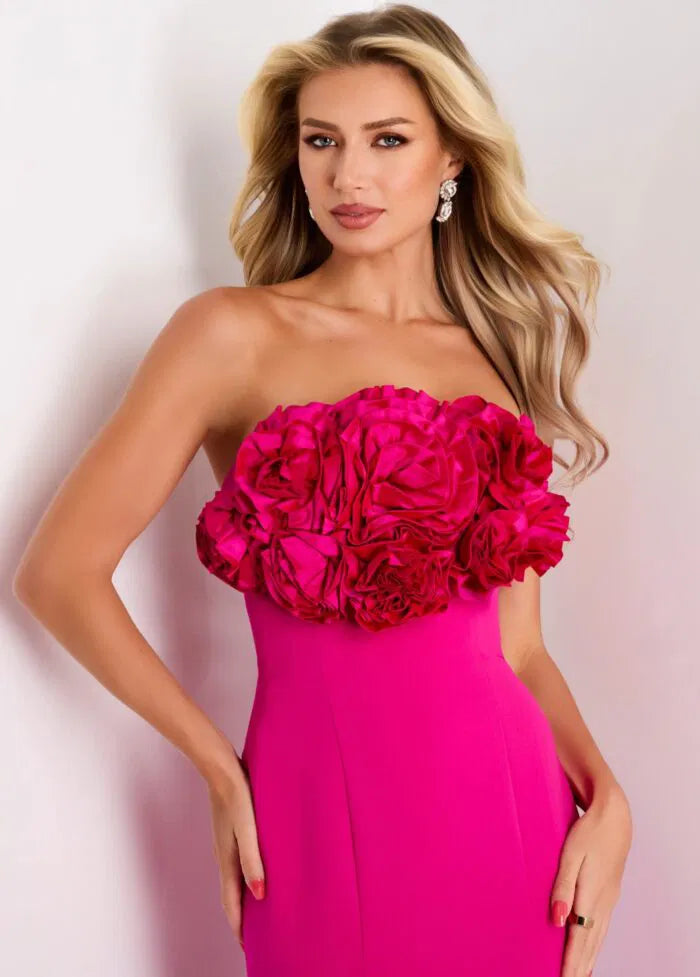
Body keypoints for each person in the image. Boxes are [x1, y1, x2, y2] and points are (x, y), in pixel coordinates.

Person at [13, 4, 633, 976]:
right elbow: (59, 572)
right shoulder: (231, 334)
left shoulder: (491, 367)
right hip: (317, 818)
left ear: (452, 158)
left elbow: (518, 647)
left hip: (515, 822)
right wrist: (218, 768)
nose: (348, 176)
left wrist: (609, 796)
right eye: (321, 141)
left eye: (387, 140)